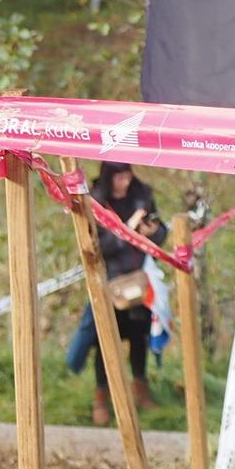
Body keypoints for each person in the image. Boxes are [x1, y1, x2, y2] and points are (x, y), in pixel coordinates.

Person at [63, 162, 164, 425]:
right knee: (105, 342)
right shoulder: (95, 200)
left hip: (139, 280)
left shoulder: (142, 195)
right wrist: (126, 231)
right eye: (119, 176)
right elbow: (95, 246)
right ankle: (101, 399)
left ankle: (141, 390)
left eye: (127, 175)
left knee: (140, 338)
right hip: (109, 283)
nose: (125, 182)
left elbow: (160, 231)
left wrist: (153, 233)